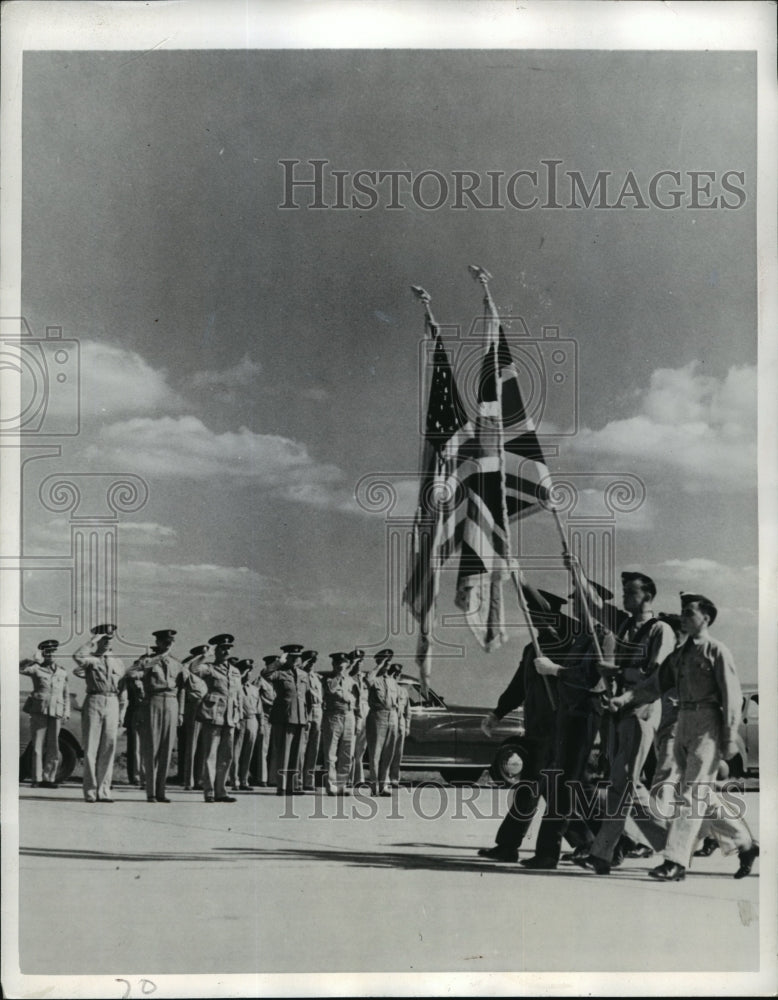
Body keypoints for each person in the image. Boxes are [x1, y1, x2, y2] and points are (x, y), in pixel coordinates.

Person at [610, 593, 759, 881]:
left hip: (708, 724)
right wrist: (624, 698)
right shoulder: (679, 655)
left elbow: (731, 696)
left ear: (706, 618)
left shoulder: (717, 651)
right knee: (698, 794)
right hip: (684, 723)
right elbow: (653, 685)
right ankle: (745, 843)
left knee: (691, 795)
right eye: (683, 612)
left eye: (690, 613)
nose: (684, 617)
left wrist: (729, 736)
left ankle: (676, 861)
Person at [574, 571, 677, 874]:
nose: (625, 597)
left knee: (623, 782)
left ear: (648, 596)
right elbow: (595, 606)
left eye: (631, 592)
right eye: (624, 592)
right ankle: (673, 847)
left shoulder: (660, 630)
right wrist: (576, 573)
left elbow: (656, 674)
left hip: (641, 708)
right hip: (618, 710)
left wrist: (618, 673)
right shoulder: (623, 624)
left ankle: (604, 853)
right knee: (626, 784)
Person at [477, 596, 571, 864]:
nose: (532, 618)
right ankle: (508, 845)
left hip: (558, 728)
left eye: (537, 614)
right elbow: (519, 686)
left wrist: (554, 670)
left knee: (543, 787)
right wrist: (497, 713)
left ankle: (510, 845)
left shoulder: (567, 646)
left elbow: (578, 680)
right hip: (536, 728)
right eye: (530, 613)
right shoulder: (532, 648)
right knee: (537, 787)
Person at [72, 624, 127, 803]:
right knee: (91, 747)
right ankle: (90, 791)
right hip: (94, 700)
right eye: (103, 638)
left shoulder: (118, 662)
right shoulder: (91, 659)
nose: (107, 641)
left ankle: (104, 791)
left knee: (109, 747)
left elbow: (123, 690)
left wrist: (122, 713)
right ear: (98, 640)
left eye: (109, 638)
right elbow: (77, 656)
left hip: (112, 702)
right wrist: (92, 641)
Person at [190, 634, 243, 803]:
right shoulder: (209, 668)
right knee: (210, 755)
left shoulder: (235, 671)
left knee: (226, 756)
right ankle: (210, 791)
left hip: (230, 716)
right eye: (223, 648)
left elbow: (238, 695)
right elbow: (193, 669)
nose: (226, 651)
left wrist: (239, 716)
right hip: (213, 714)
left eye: (228, 648)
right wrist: (206, 655)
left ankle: (221, 791)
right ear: (216, 650)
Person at [134, 629, 183, 803]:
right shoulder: (147, 660)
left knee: (167, 749)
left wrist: (181, 712)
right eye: (164, 642)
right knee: (152, 748)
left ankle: (161, 791)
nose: (168, 644)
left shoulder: (177, 663)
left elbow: (182, 688)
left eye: (171, 642)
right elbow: (132, 673)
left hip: (172, 703)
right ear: (158, 642)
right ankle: (151, 792)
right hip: (153, 701)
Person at [20, 639, 70, 788]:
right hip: (39, 710)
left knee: (54, 745)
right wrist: (33, 660)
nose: (51, 655)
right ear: (43, 654)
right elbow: (19, 668)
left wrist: (66, 711)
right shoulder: (36, 669)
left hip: (56, 711)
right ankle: (36, 778)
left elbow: (66, 694)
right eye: (47, 652)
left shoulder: (62, 672)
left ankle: (49, 778)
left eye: (53, 652)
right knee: (37, 745)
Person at [267, 644, 309, 795]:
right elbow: (265, 674)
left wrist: (307, 717)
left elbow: (307, 697)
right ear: (287, 657)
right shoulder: (279, 673)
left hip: (300, 718)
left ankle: (292, 786)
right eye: (292, 657)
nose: (295, 659)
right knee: (283, 753)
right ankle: (282, 786)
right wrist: (279, 662)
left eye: (297, 657)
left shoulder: (304, 675)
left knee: (296, 755)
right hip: (284, 717)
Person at [320, 652, 357, 795]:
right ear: (333, 665)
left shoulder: (350, 680)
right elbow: (331, 690)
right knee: (331, 753)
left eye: (343, 664)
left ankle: (342, 785)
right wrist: (338, 675)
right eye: (338, 664)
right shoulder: (329, 679)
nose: (341, 667)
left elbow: (356, 697)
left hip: (349, 715)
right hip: (333, 716)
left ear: (347, 664)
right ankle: (331, 785)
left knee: (347, 752)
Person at [365, 648, 398, 796]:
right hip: (378, 715)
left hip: (392, 716)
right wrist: (378, 666)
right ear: (379, 661)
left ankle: (384, 785)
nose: (388, 663)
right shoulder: (374, 678)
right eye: (385, 660)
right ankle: (374, 785)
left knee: (389, 753)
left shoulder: (392, 681)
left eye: (389, 661)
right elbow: (368, 680)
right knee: (375, 754)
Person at [176, 645, 209, 790]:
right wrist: (181, 713)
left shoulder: (205, 676)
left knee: (203, 746)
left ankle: (199, 778)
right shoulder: (187, 673)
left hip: (206, 710)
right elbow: (182, 693)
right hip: (193, 710)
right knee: (192, 746)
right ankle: (188, 780)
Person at [231, 659, 260, 791]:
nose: (248, 674)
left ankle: (244, 780)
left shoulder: (254, 689)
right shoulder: (235, 687)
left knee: (248, 752)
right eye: (245, 671)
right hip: (240, 720)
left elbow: (259, 708)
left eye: (249, 671)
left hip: (252, 720)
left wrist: (260, 723)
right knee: (236, 753)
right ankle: (234, 780)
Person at [119, 655, 146, 787]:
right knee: (136, 746)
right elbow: (129, 675)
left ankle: (145, 775)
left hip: (150, 711)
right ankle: (137, 776)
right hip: (137, 711)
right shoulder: (134, 677)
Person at [300, 650, 323, 791]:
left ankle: (309, 781)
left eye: (314, 661)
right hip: (306, 711)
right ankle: (298, 780)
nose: (312, 664)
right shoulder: (300, 675)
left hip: (317, 710)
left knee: (314, 748)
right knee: (302, 748)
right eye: (309, 661)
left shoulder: (316, 677)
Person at [252, 655, 277, 786]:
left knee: (275, 748)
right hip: (264, 715)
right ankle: (262, 778)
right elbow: (254, 698)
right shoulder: (260, 681)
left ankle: (273, 778)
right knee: (263, 747)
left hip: (276, 716)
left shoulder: (277, 681)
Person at [348, 649, 369, 786]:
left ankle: (358, 778)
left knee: (361, 748)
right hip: (353, 712)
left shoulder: (366, 678)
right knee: (349, 747)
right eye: (356, 661)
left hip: (365, 712)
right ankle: (348, 778)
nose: (358, 664)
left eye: (361, 661)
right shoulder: (348, 677)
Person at [389, 663, 412, 789]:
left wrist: (407, 726)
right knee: (387, 751)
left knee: (398, 752)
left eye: (398, 674)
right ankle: (384, 779)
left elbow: (408, 711)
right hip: (389, 720)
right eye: (394, 673)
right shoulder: (388, 689)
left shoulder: (403, 691)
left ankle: (394, 779)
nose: (396, 676)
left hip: (400, 722)